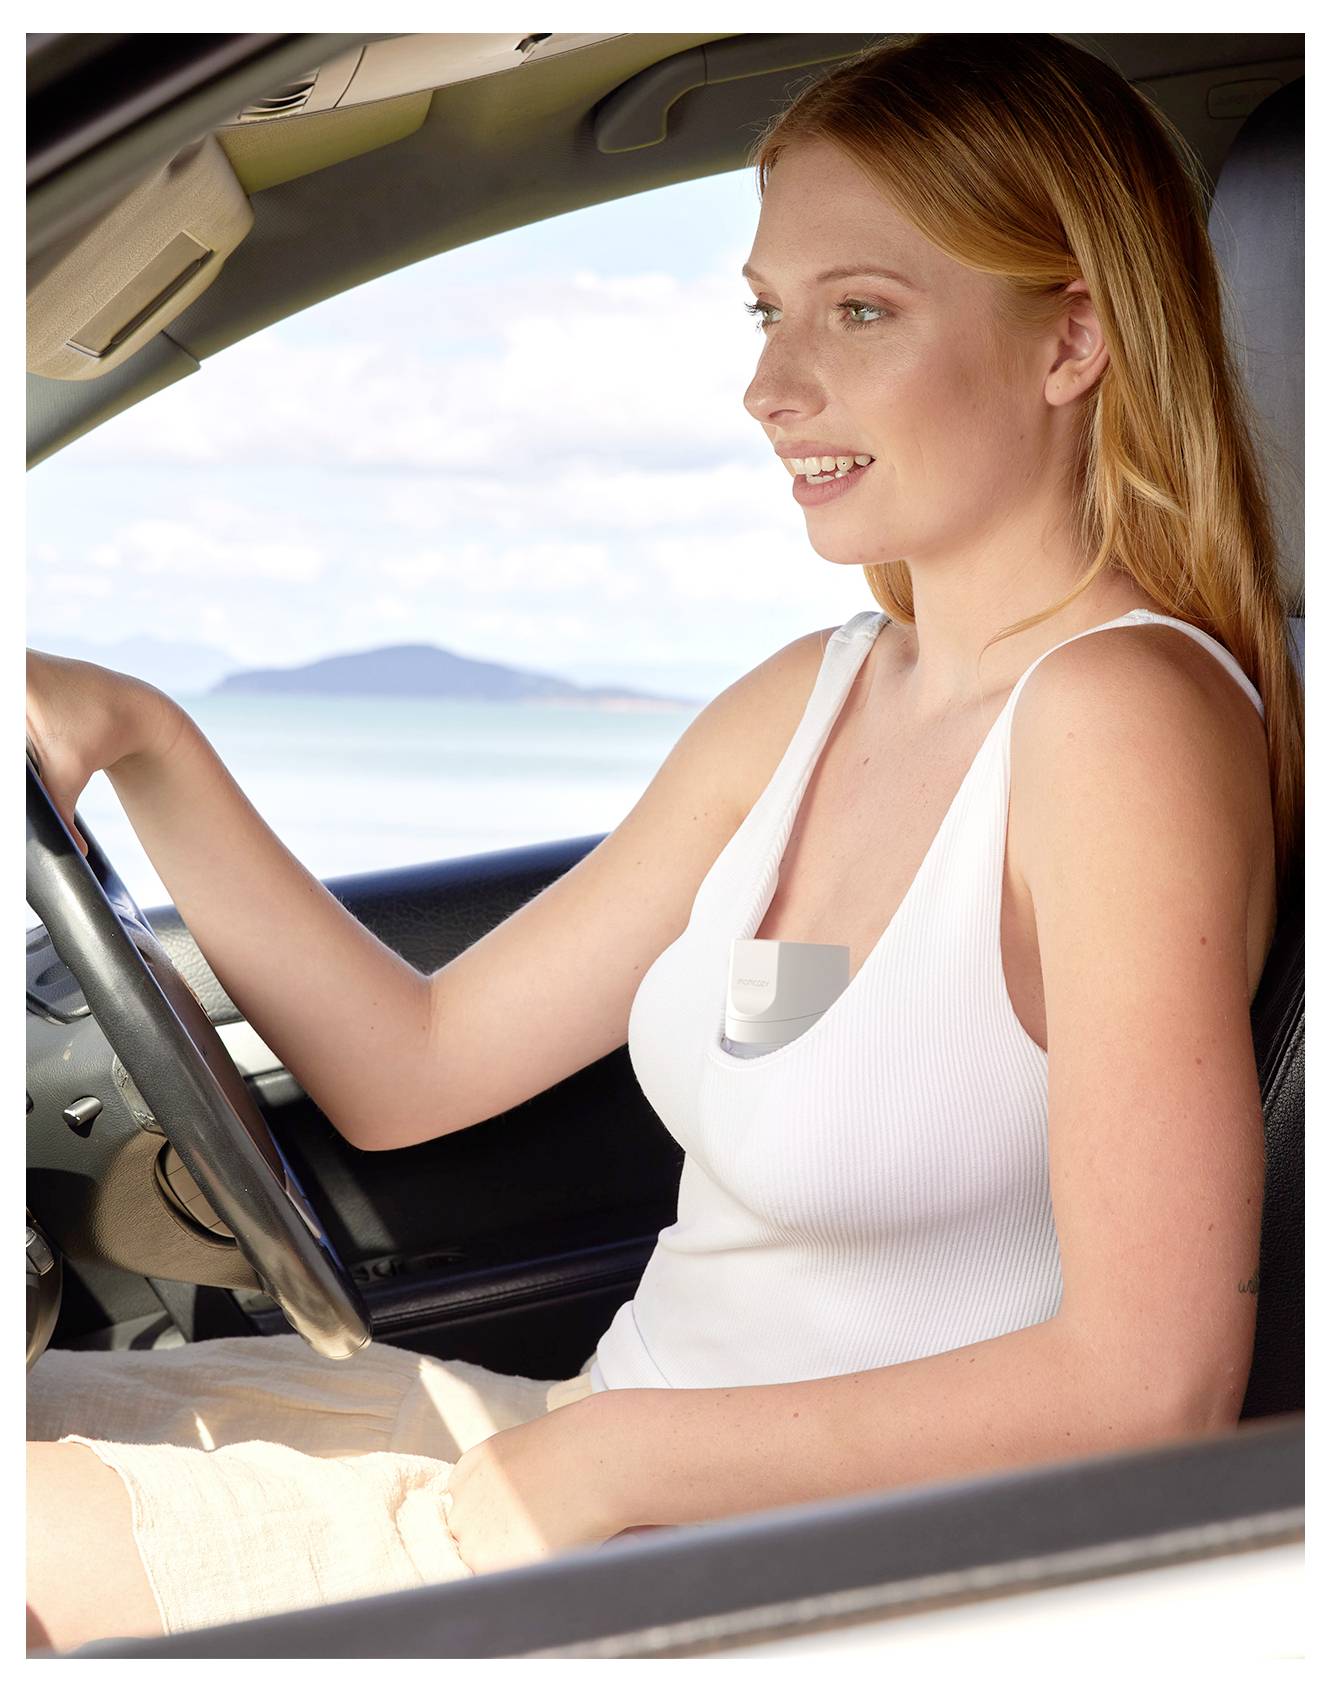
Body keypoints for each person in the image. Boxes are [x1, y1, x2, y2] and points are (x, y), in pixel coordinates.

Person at [25, 32, 1302, 1652]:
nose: (774, 386)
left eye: (862, 310)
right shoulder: (819, 691)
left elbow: (1153, 1386)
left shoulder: (1121, 719)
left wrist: (620, 1465)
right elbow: (414, 1067)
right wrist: (148, 736)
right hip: (604, 1458)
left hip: (778, 1571)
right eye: (770, 313)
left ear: (1072, 340)